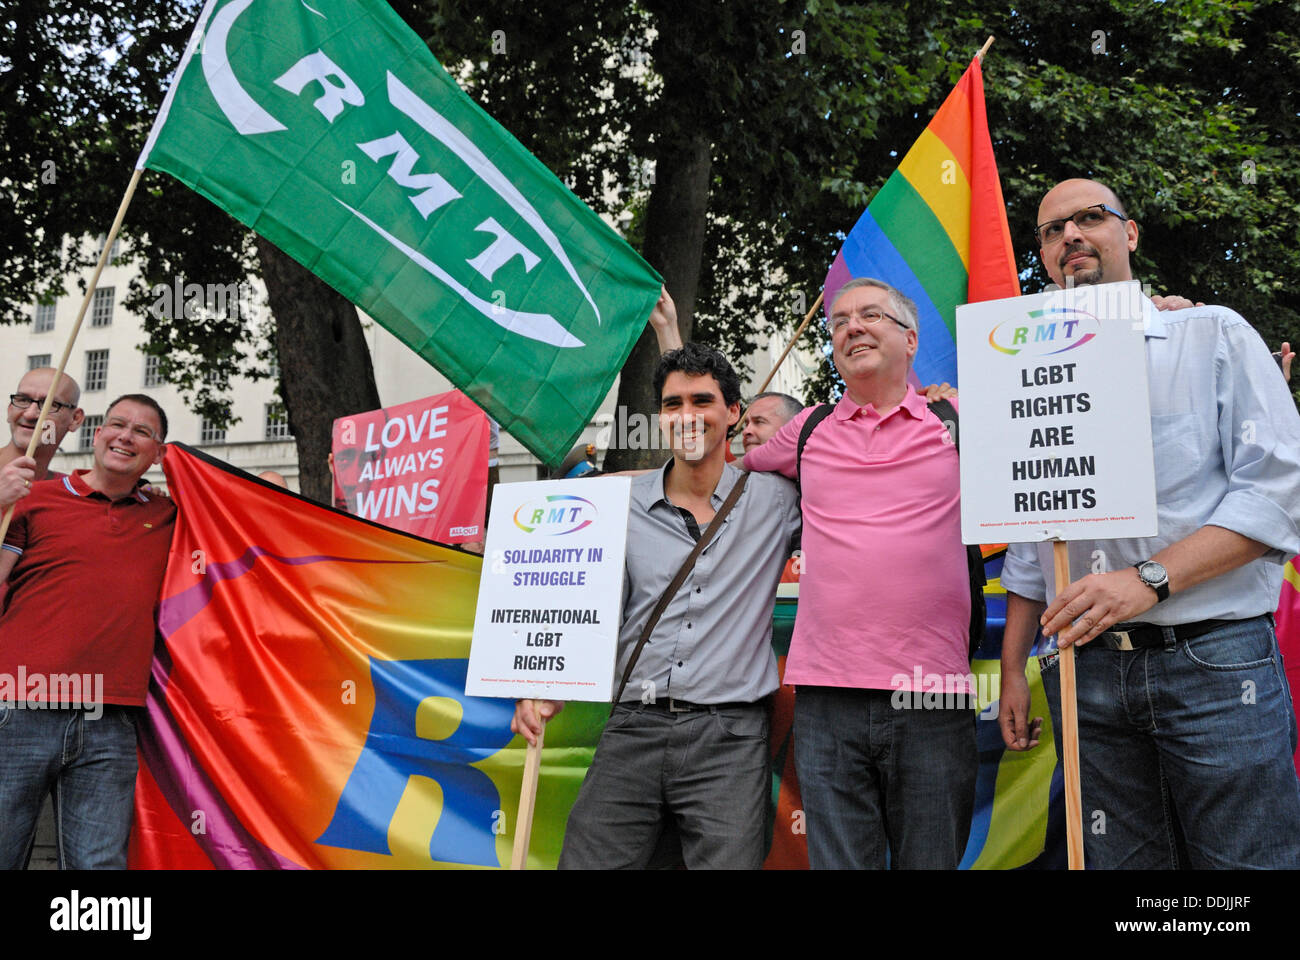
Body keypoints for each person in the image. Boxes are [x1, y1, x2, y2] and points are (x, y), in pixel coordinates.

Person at [997, 178, 1300, 868]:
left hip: (1217, 664)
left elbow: (1280, 495)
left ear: (1128, 234)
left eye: (1090, 219)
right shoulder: (1021, 369)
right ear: (1043, 256)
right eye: (1052, 230)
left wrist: (1148, 581)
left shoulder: (1210, 335)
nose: (1070, 236)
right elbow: (1027, 544)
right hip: (1084, 672)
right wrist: (1014, 668)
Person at [512, 343, 801, 869]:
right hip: (632, 728)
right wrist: (543, 683)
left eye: (703, 400)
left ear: (734, 413)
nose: (687, 416)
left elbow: (861, 477)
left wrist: (944, 411)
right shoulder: (613, 506)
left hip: (729, 737)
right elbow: (573, 601)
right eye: (673, 404)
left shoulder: (777, 500)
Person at [742, 277, 975, 869]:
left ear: (911, 339)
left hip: (932, 691)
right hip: (827, 697)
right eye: (839, 320)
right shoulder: (808, 428)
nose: (851, 327)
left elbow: (1062, 421)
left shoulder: (962, 418)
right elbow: (716, 473)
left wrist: (1157, 314)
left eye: (870, 314)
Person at [0, 393, 176, 869]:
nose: (125, 436)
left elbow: (246, 513)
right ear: (96, 434)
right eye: (116, 424)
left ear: (159, 454)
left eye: (142, 432)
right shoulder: (32, 498)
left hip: (110, 717)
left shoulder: (168, 517)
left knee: (97, 868)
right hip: (21, 706)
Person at [0, 367, 84, 510]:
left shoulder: (69, 492)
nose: (30, 414)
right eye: (23, 400)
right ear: (10, 409)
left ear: (75, 419)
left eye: (49, 404)